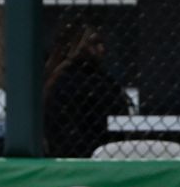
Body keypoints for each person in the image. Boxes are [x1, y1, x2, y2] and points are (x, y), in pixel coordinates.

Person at [43, 20, 133, 157]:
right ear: (78, 46)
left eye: (101, 43)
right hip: (93, 152)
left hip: (82, 153)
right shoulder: (80, 81)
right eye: (95, 43)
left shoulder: (60, 79)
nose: (102, 49)